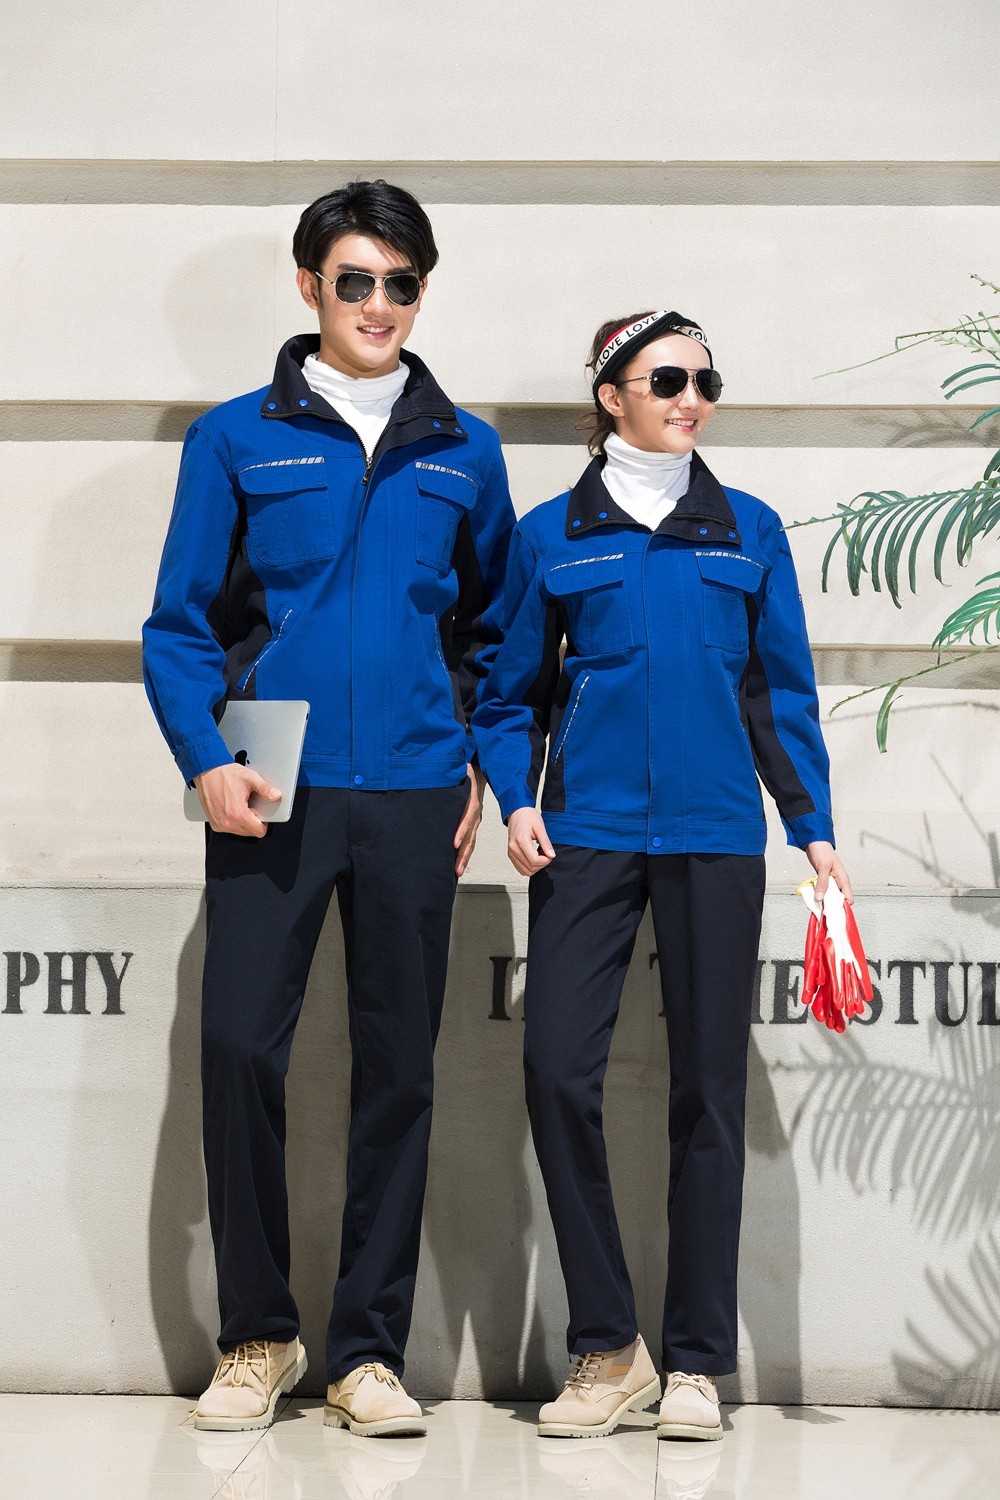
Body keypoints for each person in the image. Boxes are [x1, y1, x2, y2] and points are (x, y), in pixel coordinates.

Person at [142, 180, 515, 1436]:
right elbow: (180, 623)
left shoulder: (464, 449)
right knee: (240, 1048)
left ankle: (366, 1352)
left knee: (397, 1069)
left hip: (412, 788)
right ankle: (256, 1335)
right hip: (269, 781)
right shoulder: (235, 438)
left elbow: (494, 630)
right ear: (310, 286)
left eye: (400, 283)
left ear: (421, 290)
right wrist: (205, 756)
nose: (378, 304)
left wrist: (476, 761)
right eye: (355, 280)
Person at [472, 309, 852, 1440]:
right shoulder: (550, 534)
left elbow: (776, 693)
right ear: (612, 394)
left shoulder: (748, 530)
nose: (693, 399)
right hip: (585, 835)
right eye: (669, 379)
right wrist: (518, 797)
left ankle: (694, 1362)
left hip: (715, 834)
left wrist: (811, 825)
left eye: (706, 382)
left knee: (707, 1093)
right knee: (556, 1073)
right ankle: (607, 1347)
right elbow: (508, 693)